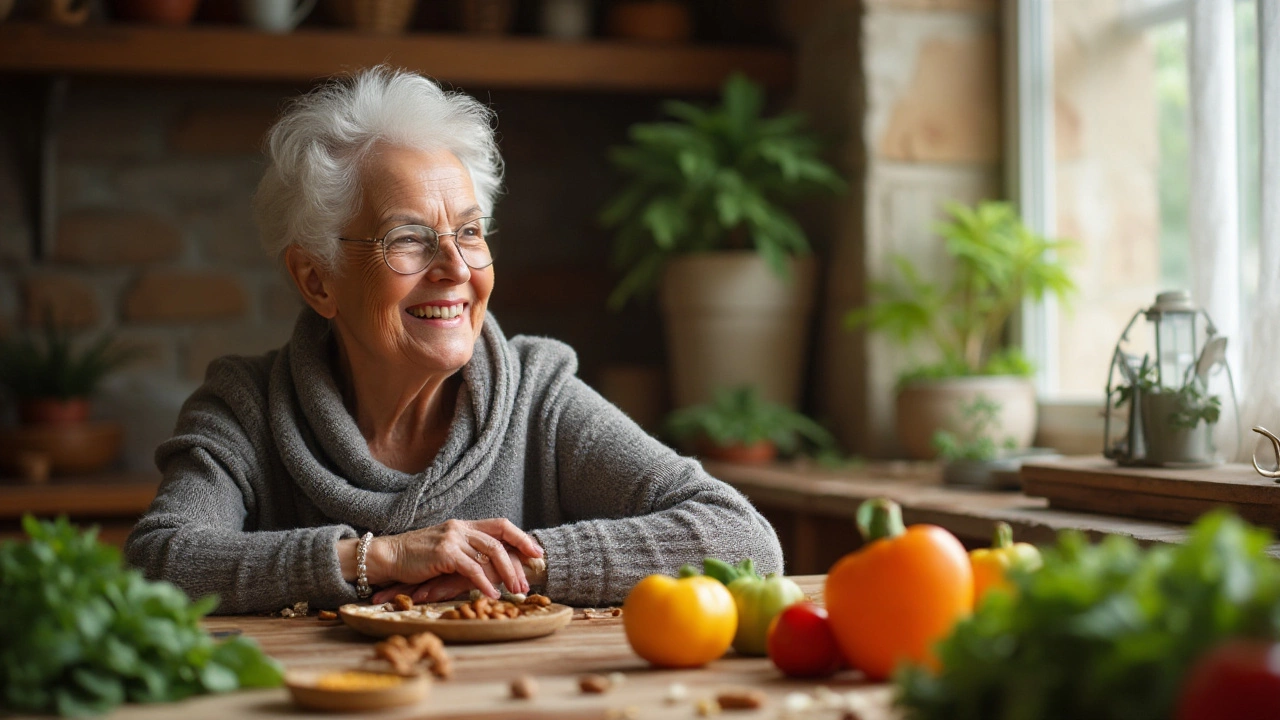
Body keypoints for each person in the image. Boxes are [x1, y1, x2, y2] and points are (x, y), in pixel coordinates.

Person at [124, 66, 784, 614]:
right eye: (409, 238)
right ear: (317, 280)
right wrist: (373, 557)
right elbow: (159, 561)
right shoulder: (246, 404)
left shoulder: (535, 392)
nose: (457, 270)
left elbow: (742, 537)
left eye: (470, 233)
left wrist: (524, 561)